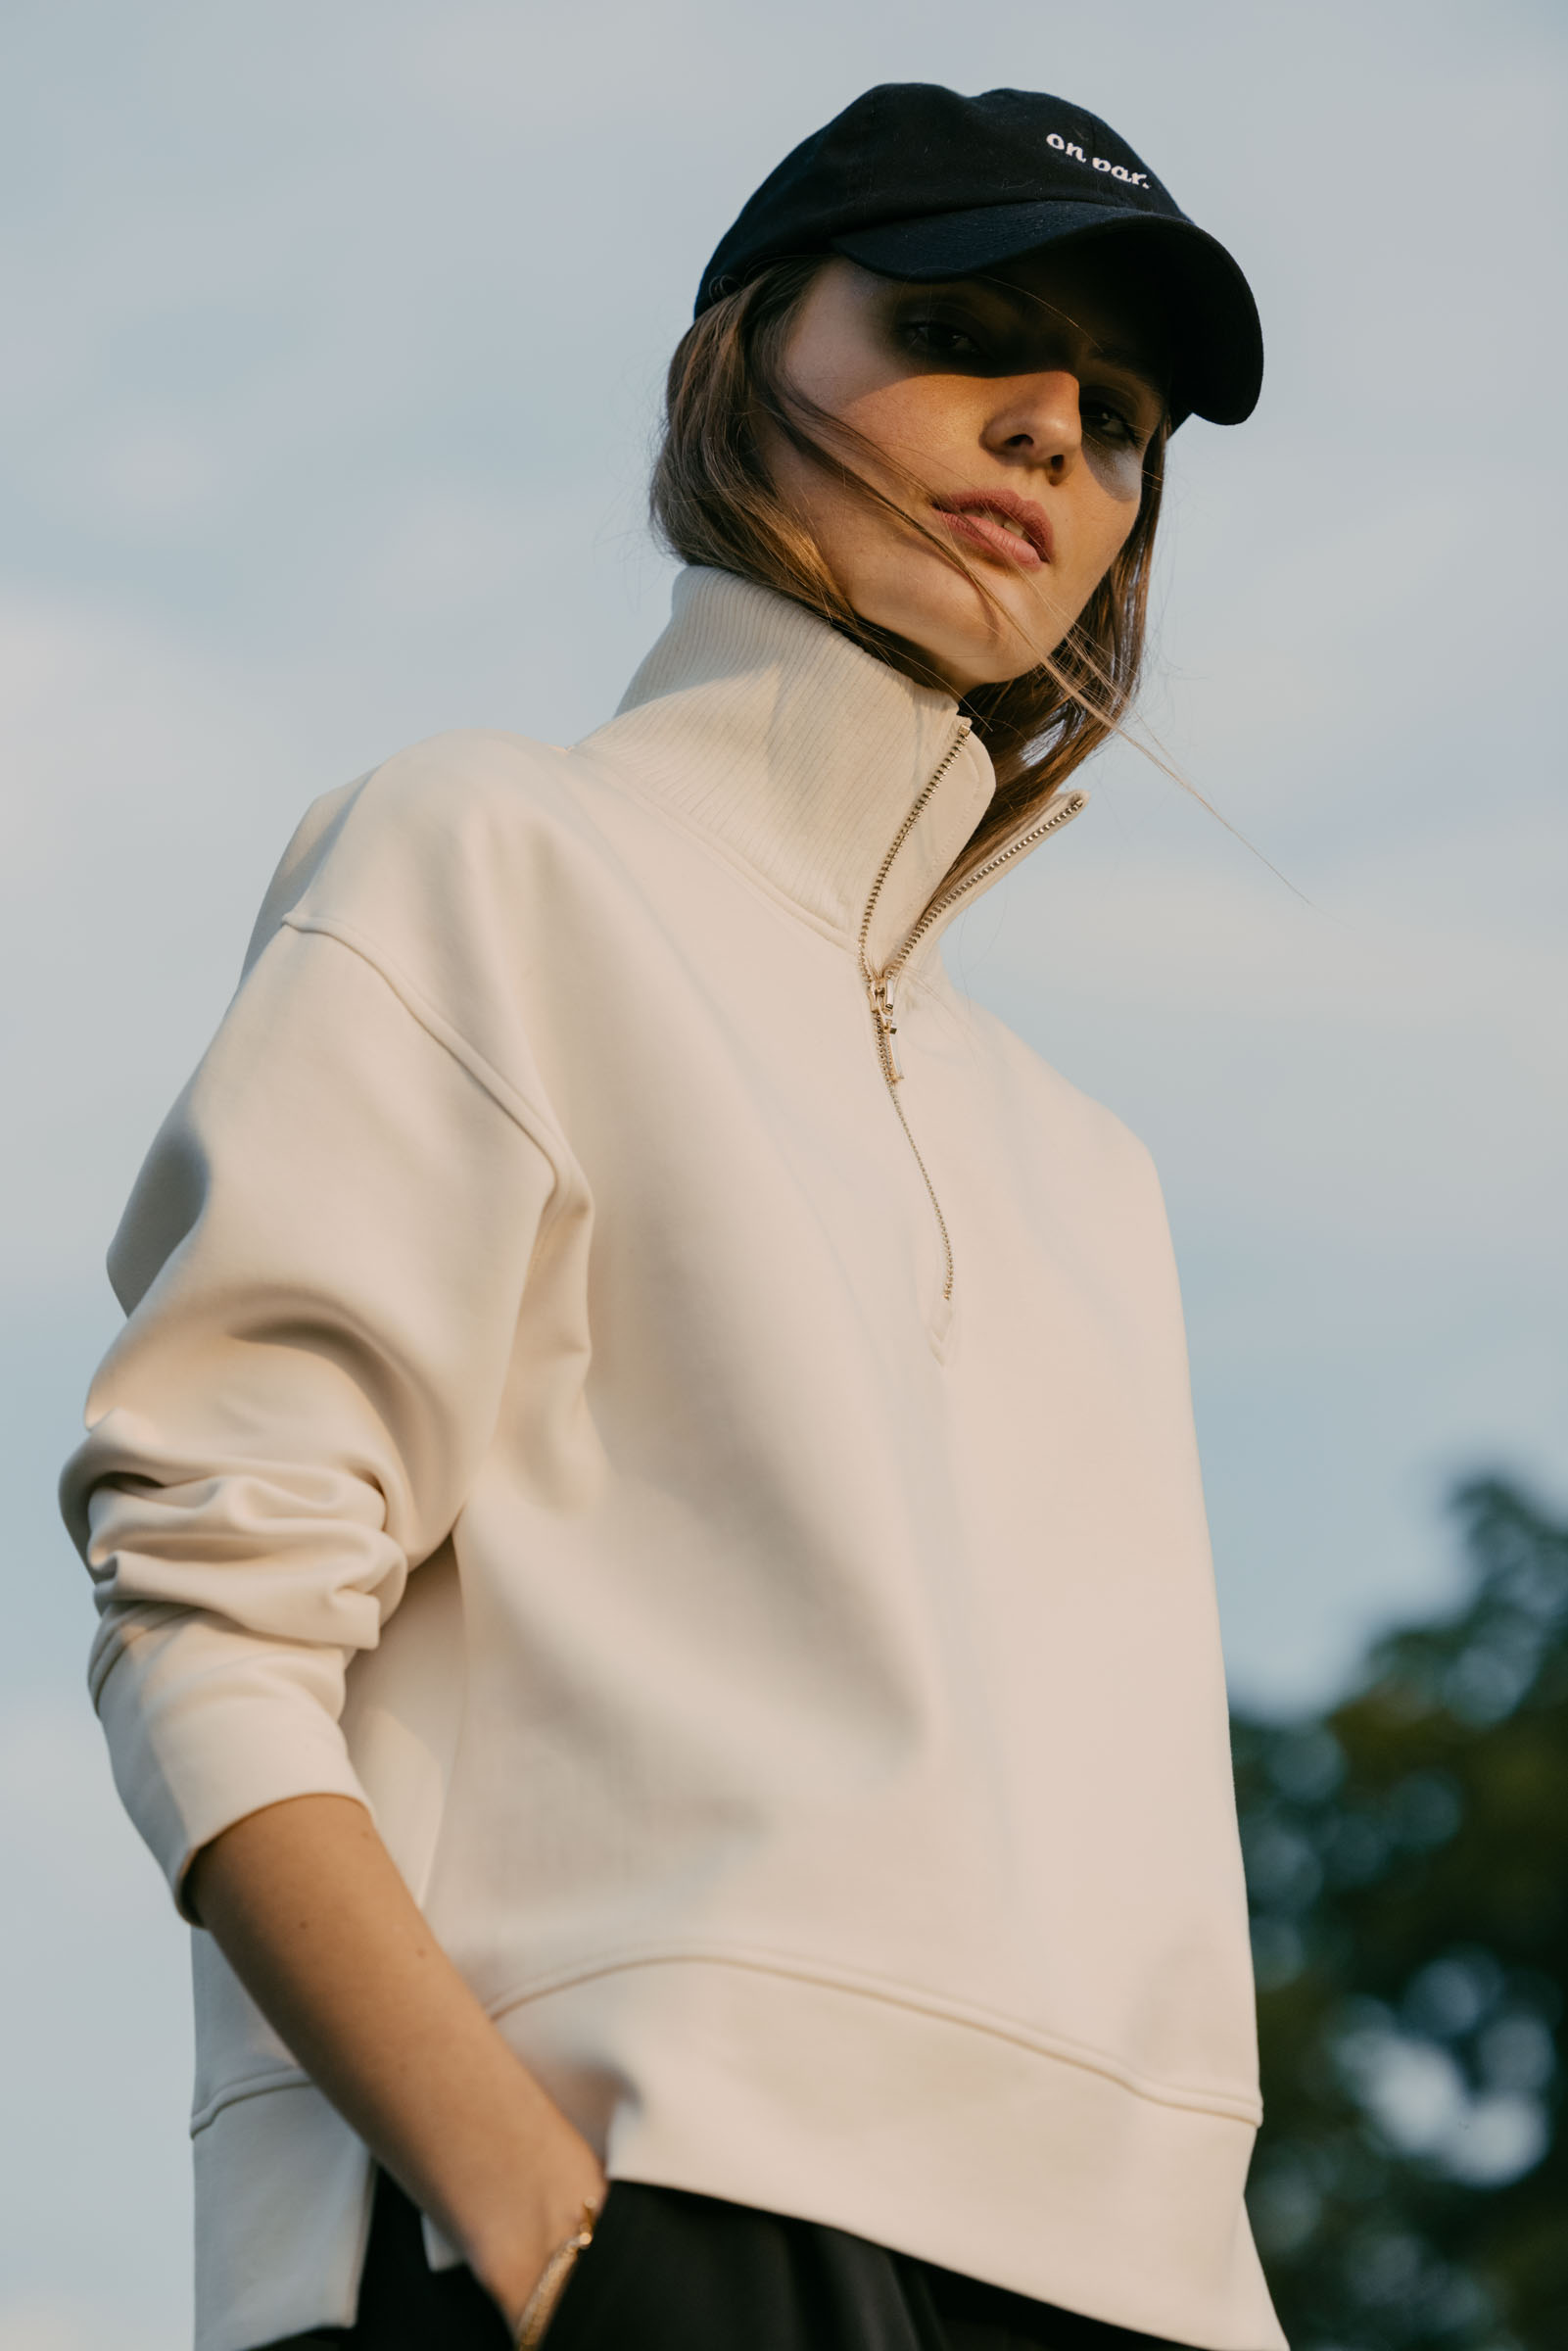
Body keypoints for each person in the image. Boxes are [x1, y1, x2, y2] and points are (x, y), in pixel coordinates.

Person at [61, 82, 1286, 2351]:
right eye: (956, 326)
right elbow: (211, 1601)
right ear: (742, 358)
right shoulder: (490, 856)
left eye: (1115, 415)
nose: (1049, 433)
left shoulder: (1089, 1167)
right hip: (648, 2223)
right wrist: (529, 2209)